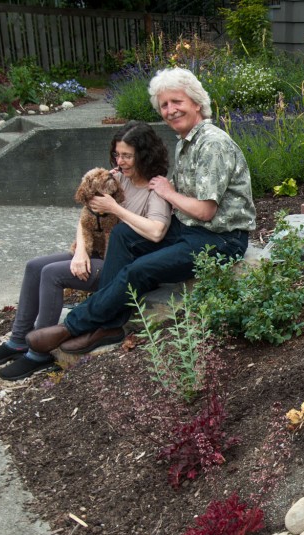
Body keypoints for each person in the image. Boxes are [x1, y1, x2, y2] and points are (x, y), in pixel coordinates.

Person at [26, 67, 256, 356]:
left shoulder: (212, 144)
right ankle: (108, 325)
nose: (170, 110)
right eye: (164, 105)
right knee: (123, 234)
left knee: (140, 270)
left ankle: (73, 325)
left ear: (197, 103)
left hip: (221, 238)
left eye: (177, 102)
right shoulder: (187, 141)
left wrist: (168, 192)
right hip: (189, 228)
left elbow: (207, 211)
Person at [0, 122, 172, 380]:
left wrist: (114, 208)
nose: (120, 161)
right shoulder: (115, 178)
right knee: (35, 266)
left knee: (52, 274)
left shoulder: (156, 188)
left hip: (123, 267)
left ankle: (39, 353)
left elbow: (157, 231)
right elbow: (86, 217)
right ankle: (18, 341)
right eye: (117, 154)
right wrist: (81, 250)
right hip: (96, 253)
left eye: (127, 155)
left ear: (144, 155)